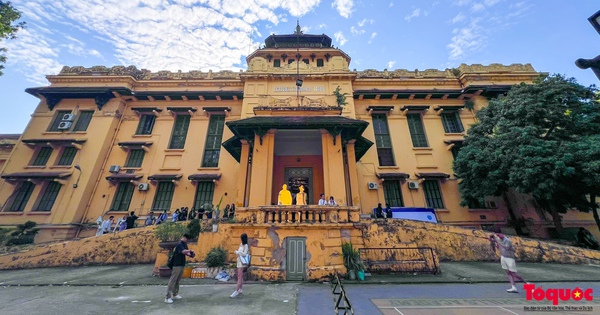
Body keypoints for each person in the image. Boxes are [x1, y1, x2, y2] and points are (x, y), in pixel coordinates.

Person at [165, 233, 195, 304]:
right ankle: (167, 297)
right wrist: (190, 251)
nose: (187, 240)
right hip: (177, 265)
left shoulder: (184, 244)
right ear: (184, 237)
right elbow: (183, 251)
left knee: (178, 280)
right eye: (187, 239)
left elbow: (186, 253)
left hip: (182, 264)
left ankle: (175, 294)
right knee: (173, 280)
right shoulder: (179, 244)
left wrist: (191, 255)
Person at [231, 233, 249, 298]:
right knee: (239, 276)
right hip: (239, 261)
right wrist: (237, 252)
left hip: (242, 263)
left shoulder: (246, 245)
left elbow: (245, 254)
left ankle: (237, 290)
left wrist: (238, 252)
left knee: (239, 277)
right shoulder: (241, 244)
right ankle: (240, 289)